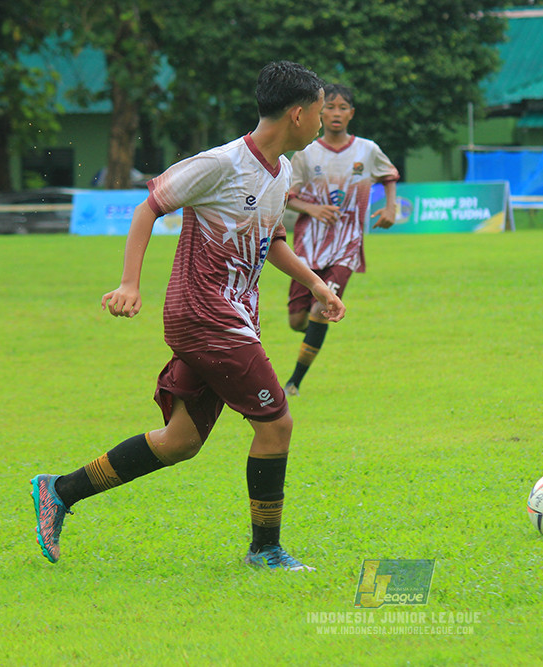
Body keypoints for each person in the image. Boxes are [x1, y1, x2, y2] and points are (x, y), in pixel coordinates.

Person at [30, 61, 342, 571]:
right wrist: (130, 282)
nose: (327, 116)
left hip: (231, 315)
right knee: (276, 423)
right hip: (205, 314)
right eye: (322, 107)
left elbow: (273, 240)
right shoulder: (221, 163)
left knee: (180, 443)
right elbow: (149, 206)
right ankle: (265, 551)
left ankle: (59, 491)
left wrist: (314, 284)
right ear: (299, 113)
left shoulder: (281, 168)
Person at [282, 83, 399, 396]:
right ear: (321, 112)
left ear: (352, 113)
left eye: (342, 107)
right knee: (297, 320)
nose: (336, 113)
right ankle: (315, 329)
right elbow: (286, 195)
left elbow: (389, 175)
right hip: (308, 245)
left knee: (321, 309)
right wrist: (312, 208)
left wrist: (390, 207)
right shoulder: (307, 152)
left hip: (347, 243)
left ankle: (294, 383)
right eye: (330, 107)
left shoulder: (367, 150)